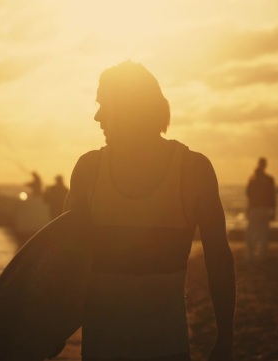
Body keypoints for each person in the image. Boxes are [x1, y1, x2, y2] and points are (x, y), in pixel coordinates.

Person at [64, 61, 235, 361]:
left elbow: (218, 257)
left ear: (130, 107)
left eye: (105, 104)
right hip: (102, 350)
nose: (97, 116)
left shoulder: (192, 169)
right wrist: (51, 330)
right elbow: (65, 258)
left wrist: (226, 338)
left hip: (166, 350)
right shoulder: (88, 169)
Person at [245, 157, 276, 261]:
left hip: (254, 208)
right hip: (265, 208)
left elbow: (248, 194)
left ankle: (250, 255)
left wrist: (248, 209)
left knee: (251, 232)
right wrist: (273, 210)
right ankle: (261, 255)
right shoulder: (269, 179)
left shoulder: (252, 179)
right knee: (263, 233)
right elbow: (272, 196)